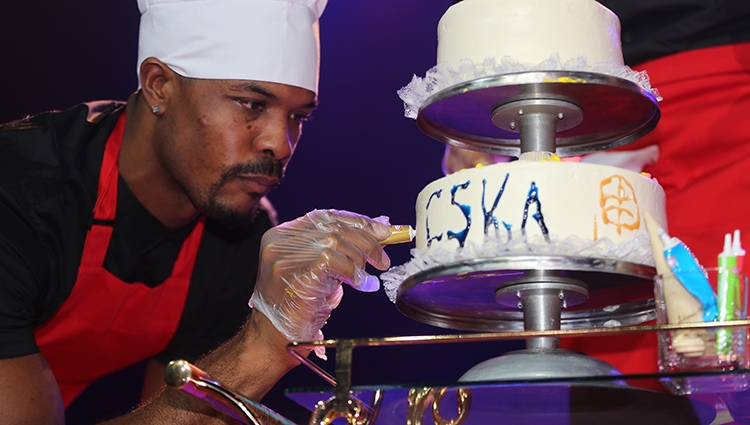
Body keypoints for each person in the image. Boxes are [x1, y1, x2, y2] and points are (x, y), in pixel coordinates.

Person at [0, 0, 395, 423]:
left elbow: (172, 412)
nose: (281, 144)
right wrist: (265, 342)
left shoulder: (240, 239)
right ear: (159, 86)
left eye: (299, 116)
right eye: (251, 104)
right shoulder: (18, 191)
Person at [441, 0, 750, 397]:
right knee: (606, 351)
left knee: (726, 328)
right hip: (589, 105)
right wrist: (478, 92)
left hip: (728, 93)